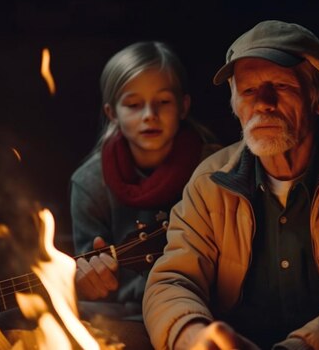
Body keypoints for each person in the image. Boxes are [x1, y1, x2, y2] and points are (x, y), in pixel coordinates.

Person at [142, 20, 319, 350]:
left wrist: (300, 346)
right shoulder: (209, 182)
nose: (264, 103)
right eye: (249, 91)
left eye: (282, 87)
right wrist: (193, 333)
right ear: (235, 105)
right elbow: (172, 279)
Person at [70, 41, 220, 346]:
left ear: (184, 106)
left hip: (206, 312)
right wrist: (90, 282)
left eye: (163, 102)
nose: (149, 114)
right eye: (134, 105)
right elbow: (89, 280)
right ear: (112, 112)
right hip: (121, 315)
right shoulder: (89, 183)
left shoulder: (215, 169)